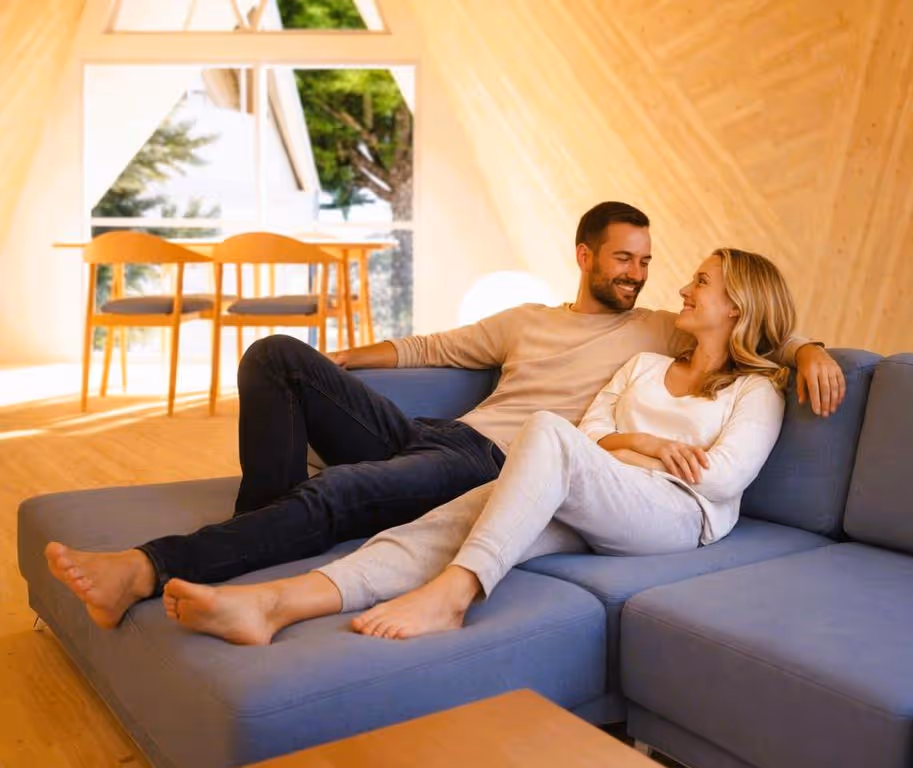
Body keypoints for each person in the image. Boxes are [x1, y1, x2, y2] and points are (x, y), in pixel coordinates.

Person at [45, 202, 844, 631]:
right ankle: (260, 535)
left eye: (649, 260)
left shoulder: (657, 329)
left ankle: (154, 566)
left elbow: (752, 336)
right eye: (624, 258)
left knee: (335, 497)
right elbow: (435, 344)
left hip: (501, 462)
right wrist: (338, 364)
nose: (643, 274)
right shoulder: (534, 320)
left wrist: (806, 348)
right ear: (585, 256)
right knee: (277, 356)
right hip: (445, 440)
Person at [158, 247, 796, 645]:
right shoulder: (647, 366)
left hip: (674, 515)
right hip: (601, 489)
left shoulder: (757, 391)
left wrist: (640, 456)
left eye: (702, 282)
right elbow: (594, 434)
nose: (683, 287)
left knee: (544, 430)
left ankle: (453, 595)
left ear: (738, 306)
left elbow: (717, 479)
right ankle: (275, 604)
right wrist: (645, 441)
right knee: (453, 521)